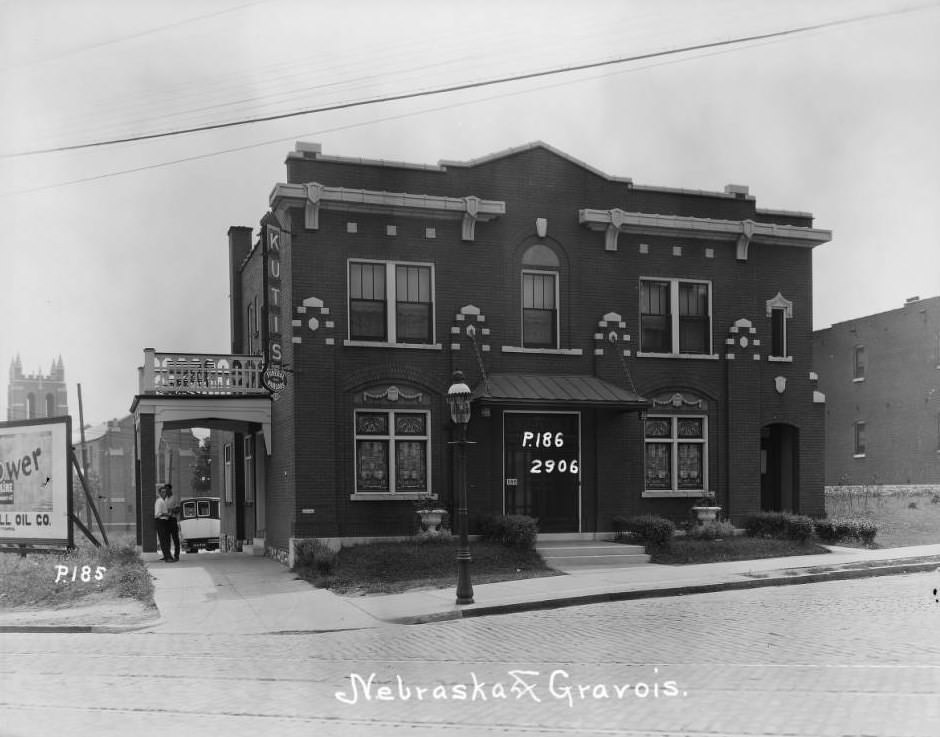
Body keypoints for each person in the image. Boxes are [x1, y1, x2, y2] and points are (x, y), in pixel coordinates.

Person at [154, 485, 174, 562]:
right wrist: (167, 514)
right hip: (160, 521)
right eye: (162, 492)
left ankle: (167, 556)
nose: (164, 493)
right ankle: (167, 557)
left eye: (165, 492)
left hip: (164, 522)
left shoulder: (163, 501)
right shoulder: (159, 501)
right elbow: (157, 514)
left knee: (165, 540)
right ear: (159, 493)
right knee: (164, 540)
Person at [164, 484, 181, 561]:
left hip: (173, 520)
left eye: (167, 489)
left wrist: (170, 510)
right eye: (165, 490)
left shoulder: (175, 498)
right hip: (166, 521)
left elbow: (178, 509)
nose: (166, 491)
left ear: (170, 490)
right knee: (167, 539)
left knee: (175, 539)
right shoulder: (165, 499)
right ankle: (168, 556)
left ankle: (176, 556)